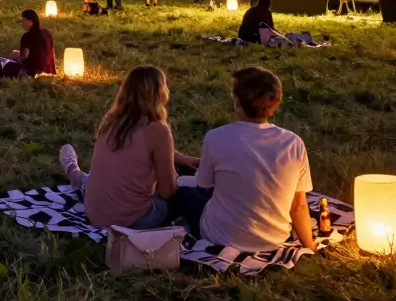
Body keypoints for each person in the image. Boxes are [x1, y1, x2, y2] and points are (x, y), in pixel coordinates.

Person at [175, 67, 318, 253]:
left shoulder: (215, 137)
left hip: (220, 237)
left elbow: (204, 184)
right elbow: (298, 207)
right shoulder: (294, 143)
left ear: (236, 102)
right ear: (276, 103)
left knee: (187, 195)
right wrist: (311, 246)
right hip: (275, 239)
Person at [59, 66, 200, 229]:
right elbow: (167, 191)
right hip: (130, 222)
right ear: (160, 94)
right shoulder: (158, 131)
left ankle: (73, 170)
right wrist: (178, 179)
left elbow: (141, 148)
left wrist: (181, 158)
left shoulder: (111, 119)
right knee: (185, 198)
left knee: (94, 183)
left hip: (95, 213)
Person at [1, 9, 56, 77]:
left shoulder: (27, 36)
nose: (22, 23)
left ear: (30, 21)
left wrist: (15, 55)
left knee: (7, 65)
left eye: (23, 20)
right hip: (48, 70)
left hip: (33, 71)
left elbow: (24, 57)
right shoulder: (46, 32)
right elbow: (51, 52)